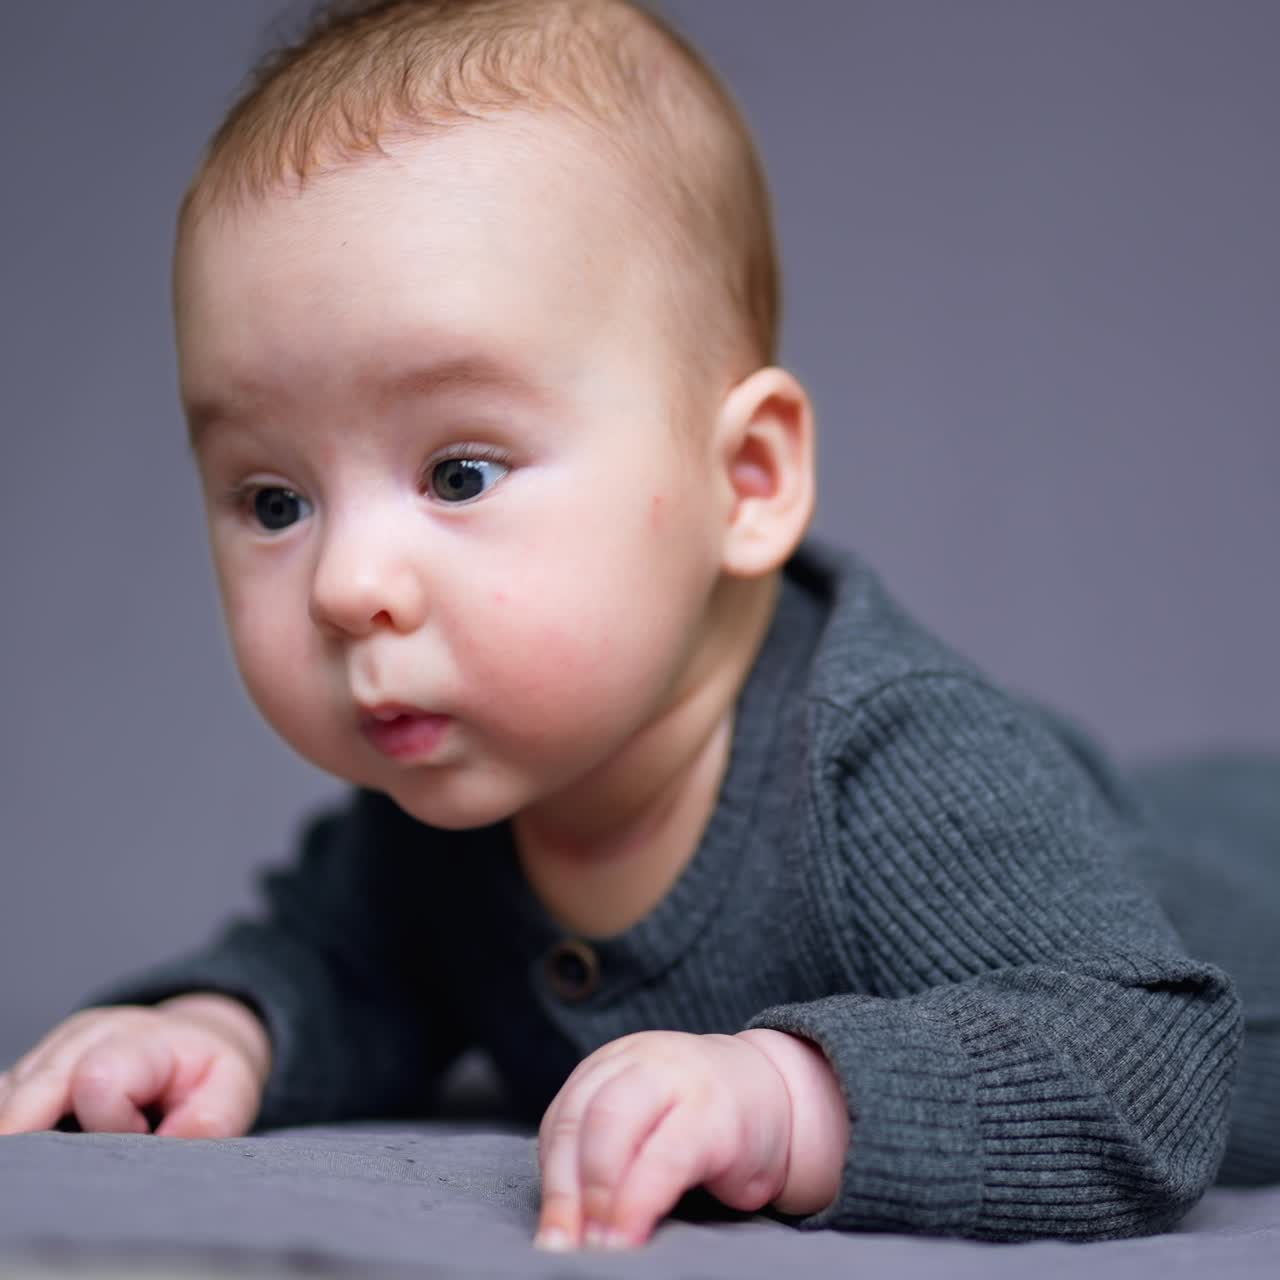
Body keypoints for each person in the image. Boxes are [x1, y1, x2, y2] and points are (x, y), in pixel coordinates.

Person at [0, 0, 1276, 1254]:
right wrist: (222, 1028)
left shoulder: (889, 769)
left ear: (749, 481)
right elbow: (340, 964)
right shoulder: (454, 797)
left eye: (457, 473)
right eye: (274, 498)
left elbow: (1145, 1055)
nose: (345, 583)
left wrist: (787, 1096)